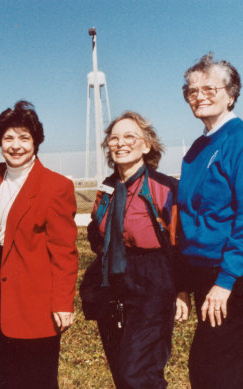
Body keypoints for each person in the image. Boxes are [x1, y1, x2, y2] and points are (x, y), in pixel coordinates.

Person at [82, 111, 188, 388]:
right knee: (121, 371)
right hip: (111, 282)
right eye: (114, 138)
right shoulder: (106, 187)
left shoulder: (164, 187)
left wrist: (181, 289)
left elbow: (179, 242)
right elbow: (95, 230)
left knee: (139, 373)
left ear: (146, 145)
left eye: (130, 136)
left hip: (152, 281)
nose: (120, 143)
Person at [0, 100, 78, 388]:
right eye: (8, 138)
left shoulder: (55, 186)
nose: (16, 145)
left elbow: (65, 252)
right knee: (3, 372)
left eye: (24, 138)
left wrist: (62, 303)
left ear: (36, 142)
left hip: (32, 293)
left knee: (36, 375)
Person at [178, 53, 243, 388]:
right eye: (191, 91)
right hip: (203, 274)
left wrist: (226, 281)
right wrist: (182, 285)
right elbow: (186, 218)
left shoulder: (238, 140)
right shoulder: (196, 149)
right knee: (208, 368)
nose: (198, 96)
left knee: (213, 370)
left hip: (231, 276)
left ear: (231, 94)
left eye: (208, 88)